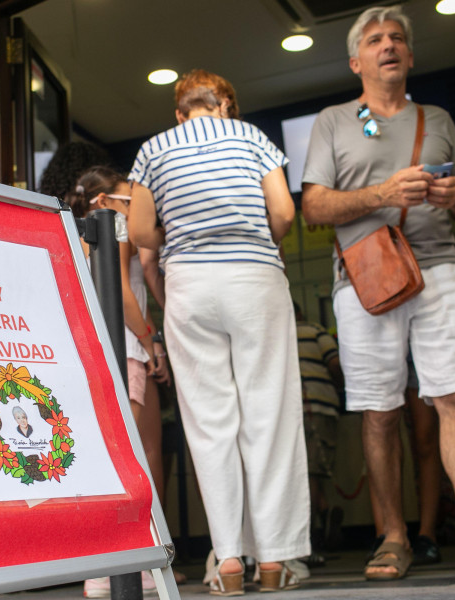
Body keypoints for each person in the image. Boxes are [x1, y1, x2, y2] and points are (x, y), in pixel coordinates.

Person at [301, 5, 455, 582]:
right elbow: (313, 207)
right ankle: (392, 538)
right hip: (365, 280)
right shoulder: (334, 121)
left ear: (409, 56)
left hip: (439, 271)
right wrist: (382, 192)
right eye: (376, 39)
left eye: (398, 38)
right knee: (379, 412)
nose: (389, 45)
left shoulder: (438, 117)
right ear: (357, 60)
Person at [128, 70, 310, 595]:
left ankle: (228, 558)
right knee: (268, 414)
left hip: (189, 285)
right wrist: (256, 236)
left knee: (209, 423)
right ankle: (274, 559)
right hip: (254, 279)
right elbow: (283, 211)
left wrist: (182, 231)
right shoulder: (252, 137)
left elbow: (140, 231)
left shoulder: (155, 149)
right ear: (224, 106)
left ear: (180, 111)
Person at [68, 166, 169, 598]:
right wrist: (152, 343)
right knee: (134, 459)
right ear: (105, 203)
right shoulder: (116, 228)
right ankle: (126, 565)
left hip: (93, 352)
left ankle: (104, 567)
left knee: (109, 458)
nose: (138, 210)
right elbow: (125, 296)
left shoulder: (74, 237)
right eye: (130, 201)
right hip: (126, 347)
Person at [294, 303, 344, 561]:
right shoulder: (315, 330)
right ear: (300, 312)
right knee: (313, 473)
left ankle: (317, 526)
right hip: (318, 407)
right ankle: (313, 538)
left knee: (301, 473)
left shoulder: (276, 332)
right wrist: (340, 387)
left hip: (288, 413)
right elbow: (334, 363)